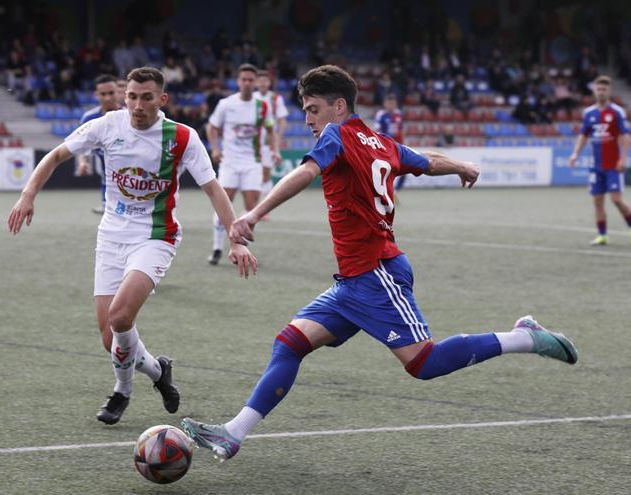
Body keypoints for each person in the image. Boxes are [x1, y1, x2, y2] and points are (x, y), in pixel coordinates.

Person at [180, 65, 578, 460]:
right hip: (352, 282)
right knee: (290, 343)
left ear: (339, 107)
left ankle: (525, 337)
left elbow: (306, 172)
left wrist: (252, 214)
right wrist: (462, 165)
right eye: (304, 110)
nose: (308, 119)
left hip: (377, 274)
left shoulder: (336, 135)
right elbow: (426, 161)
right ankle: (233, 434)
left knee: (424, 362)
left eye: (313, 109)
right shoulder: (380, 142)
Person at [7, 67, 258, 425]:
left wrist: (235, 239)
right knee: (111, 340)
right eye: (132, 97)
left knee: (121, 316)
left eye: (146, 97)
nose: (138, 105)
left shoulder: (181, 137)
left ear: (162, 99)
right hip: (111, 235)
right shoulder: (107, 125)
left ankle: (121, 391)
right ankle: (158, 372)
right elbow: (56, 156)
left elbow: (213, 188)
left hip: (155, 235)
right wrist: (28, 195)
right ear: (124, 96)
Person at [206, 63, 275, 265]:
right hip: (230, 162)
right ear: (238, 81)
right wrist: (215, 149)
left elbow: (270, 129)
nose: (247, 83)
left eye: (250, 80)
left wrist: (273, 149)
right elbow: (211, 127)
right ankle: (217, 247)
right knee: (223, 205)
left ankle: (241, 247)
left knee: (252, 208)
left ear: (255, 83)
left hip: (253, 162)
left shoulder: (262, 106)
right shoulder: (226, 104)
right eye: (243, 79)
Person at [568, 75, 631, 246]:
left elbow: (626, 135)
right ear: (594, 91)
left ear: (609, 91)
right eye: (598, 89)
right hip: (595, 165)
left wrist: (623, 158)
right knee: (597, 201)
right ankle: (603, 235)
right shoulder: (589, 113)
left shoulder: (617, 112)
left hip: (613, 164)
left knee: (616, 200)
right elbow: (583, 135)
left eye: (604, 89)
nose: (601, 92)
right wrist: (575, 154)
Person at [75, 74, 122, 213]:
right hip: (106, 178)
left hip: (129, 176)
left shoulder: (129, 116)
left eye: (111, 93)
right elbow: (80, 145)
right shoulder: (89, 118)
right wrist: (83, 162)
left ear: (118, 92)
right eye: (103, 94)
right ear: (96, 94)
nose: (107, 97)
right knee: (109, 214)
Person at [255, 70, 286, 199]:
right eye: (260, 81)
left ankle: (263, 205)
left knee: (266, 172)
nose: (262, 83)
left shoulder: (275, 99)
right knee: (253, 174)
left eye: (265, 81)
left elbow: (282, 121)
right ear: (256, 83)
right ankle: (252, 206)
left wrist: (277, 141)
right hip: (252, 141)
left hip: (268, 141)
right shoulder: (251, 98)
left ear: (269, 83)